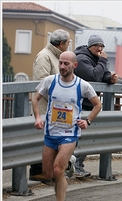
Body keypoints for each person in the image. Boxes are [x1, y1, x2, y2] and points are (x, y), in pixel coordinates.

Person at [31, 51, 102, 201]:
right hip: (51, 133)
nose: (62, 67)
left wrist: (88, 121)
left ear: (74, 66)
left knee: (57, 170)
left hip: (69, 134)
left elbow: (97, 105)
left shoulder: (82, 85)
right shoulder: (50, 81)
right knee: (47, 174)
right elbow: (35, 97)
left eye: (66, 64)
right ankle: (69, 163)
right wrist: (38, 117)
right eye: (61, 63)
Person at [30, 29, 74, 182]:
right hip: (45, 106)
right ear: (61, 44)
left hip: (55, 107)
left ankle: (49, 170)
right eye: (68, 43)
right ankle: (38, 171)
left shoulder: (56, 57)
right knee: (43, 139)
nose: (69, 46)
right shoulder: (44, 56)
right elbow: (43, 82)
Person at [73, 34, 118, 178]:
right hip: (79, 104)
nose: (100, 49)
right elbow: (93, 76)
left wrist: (109, 78)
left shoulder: (95, 59)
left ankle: (77, 166)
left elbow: (101, 74)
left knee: (85, 136)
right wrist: (103, 60)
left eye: (102, 46)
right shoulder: (81, 59)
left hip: (89, 104)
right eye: (97, 46)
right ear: (89, 46)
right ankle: (74, 165)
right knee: (80, 136)